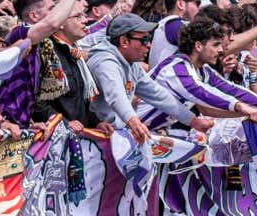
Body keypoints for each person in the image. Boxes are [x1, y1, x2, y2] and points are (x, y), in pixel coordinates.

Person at [86, 14, 213, 145]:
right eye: (144, 39)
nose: (149, 45)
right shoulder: (105, 61)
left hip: (114, 135)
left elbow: (158, 95)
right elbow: (116, 95)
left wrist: (193, 121)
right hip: (95, 136)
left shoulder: (131, 64)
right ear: (124, 41)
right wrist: (134, 122)